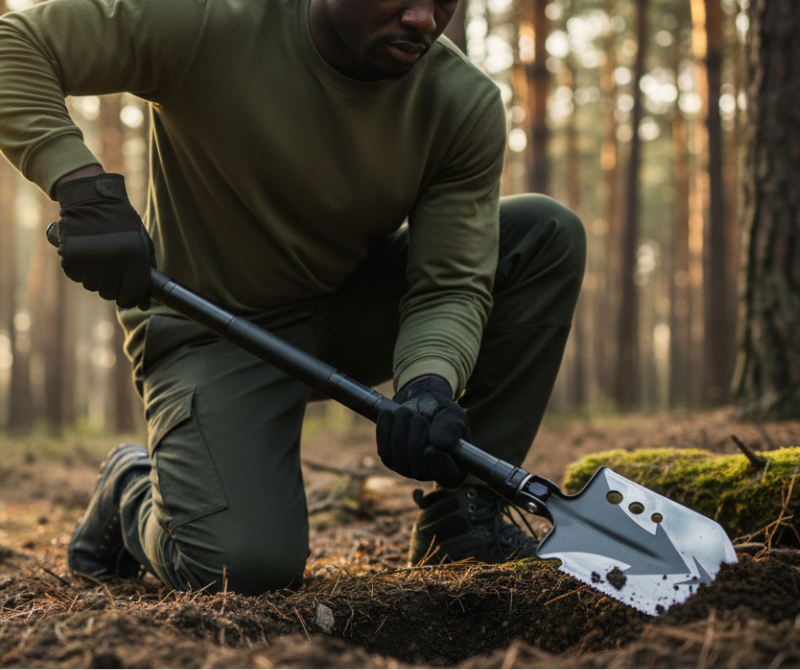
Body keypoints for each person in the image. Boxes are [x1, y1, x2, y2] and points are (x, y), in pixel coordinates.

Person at [0, 0, 585, 594]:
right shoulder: (212, 19)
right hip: (209, 327)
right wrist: (80, 187)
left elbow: (451, 282)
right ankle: (129, 487)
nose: (423, 20)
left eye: (442, 1)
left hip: (348, 308)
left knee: (544, 235)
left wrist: (428, 385)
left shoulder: (459, 101)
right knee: (243, 567)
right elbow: (13, 43)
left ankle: (463, 520)